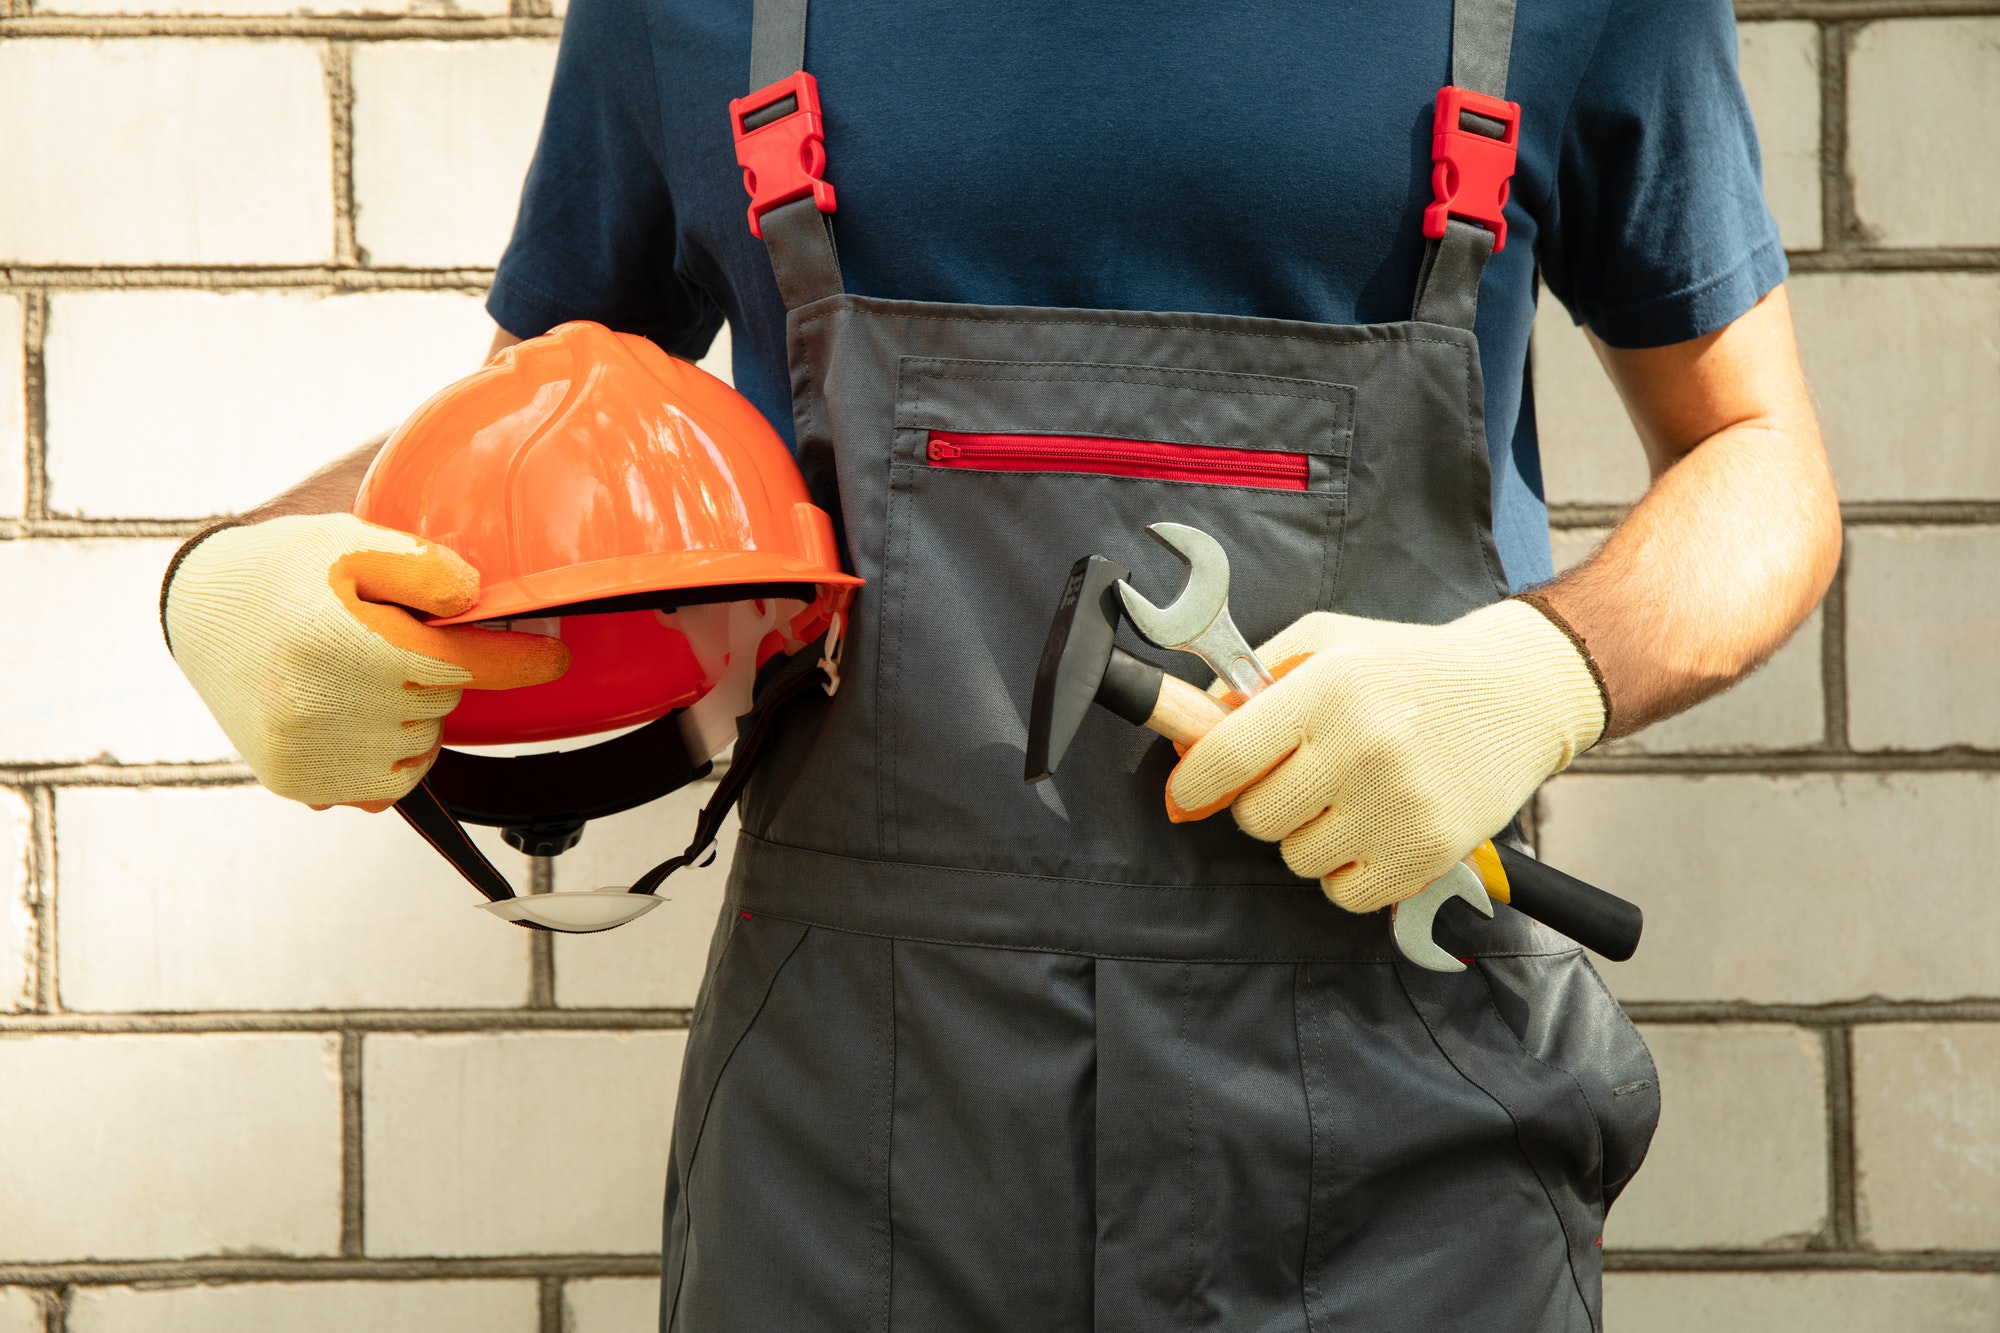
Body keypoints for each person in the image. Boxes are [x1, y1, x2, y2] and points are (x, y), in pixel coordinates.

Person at [161, 0, 1841, 1327]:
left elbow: (1766, 466)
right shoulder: (698, 9)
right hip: (854, 1167)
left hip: (1403, 1145)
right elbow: (514, 450)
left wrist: (1540, 674)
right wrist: (228, 585)